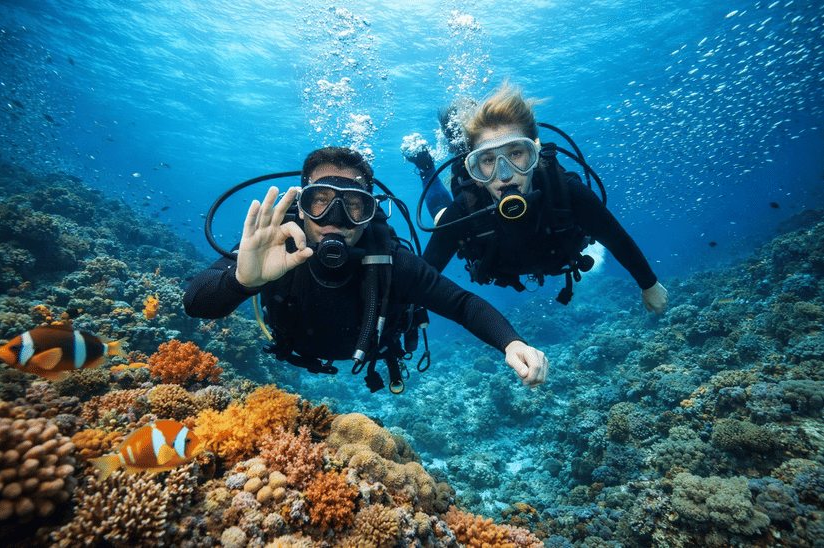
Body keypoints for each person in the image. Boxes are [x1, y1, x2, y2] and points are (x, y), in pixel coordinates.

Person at [184, 147, 549, 394]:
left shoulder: (390, 260)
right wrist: (242, 281)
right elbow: (196, 304)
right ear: (302, 205)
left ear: (371, 212)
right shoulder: (273, 244)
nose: (335, 219)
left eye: (354, 206)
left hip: (376, 353)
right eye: (320, 202)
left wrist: (511, 341)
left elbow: (462, 304)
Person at [422, 83, 669, 313]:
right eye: (488, 160)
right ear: (475, 173)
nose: (505, 175)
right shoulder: (466, 208)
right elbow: (423, 276)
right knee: (442, 217)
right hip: (487, 244)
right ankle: (425, 167)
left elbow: (615, 237)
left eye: (516, 153)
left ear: (535, 155)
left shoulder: (565, 191)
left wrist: (649, 284)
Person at [402, 97, 475, 225]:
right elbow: (444, 218)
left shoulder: (460, 165)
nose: (451, 149)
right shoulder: (459, 167)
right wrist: (427, 170)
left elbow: (444, 219)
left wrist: (427, 172)